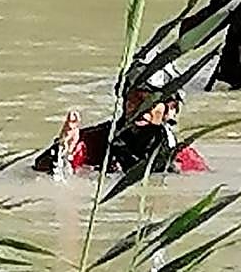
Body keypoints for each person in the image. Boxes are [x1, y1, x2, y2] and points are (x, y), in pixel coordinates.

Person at [33, 45, 208, 176]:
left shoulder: (182, 157)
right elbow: (40, 170)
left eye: (150, 100)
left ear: (170, 109)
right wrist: (63, 151)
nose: (140, 107)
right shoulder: (96, 141)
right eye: (135, 98)